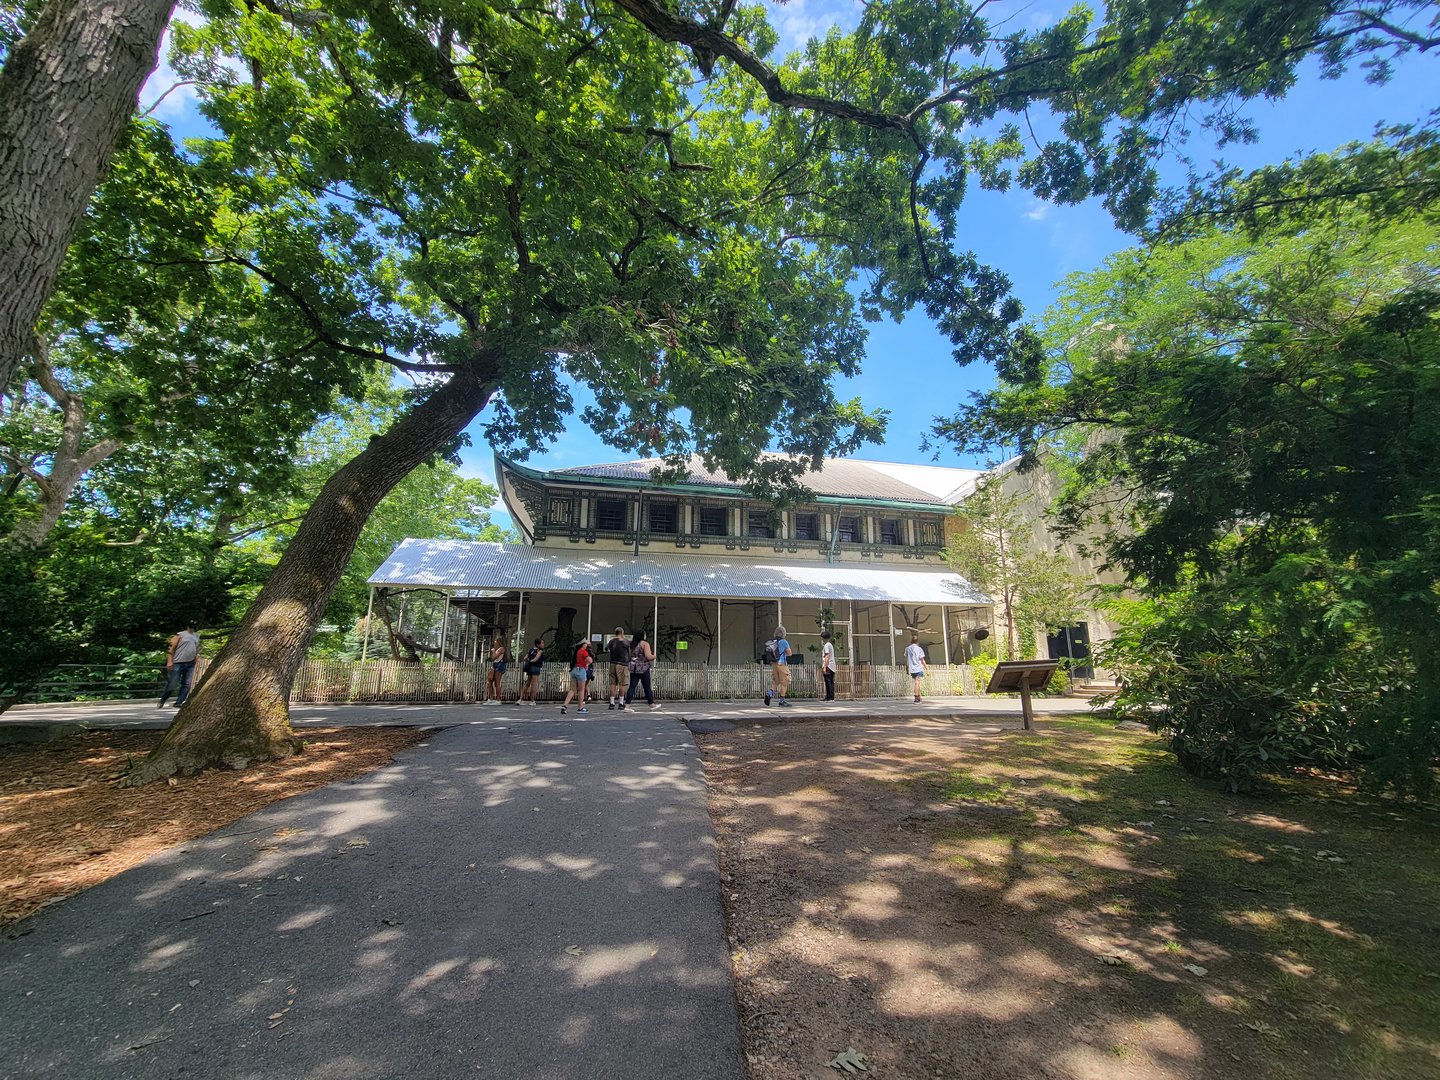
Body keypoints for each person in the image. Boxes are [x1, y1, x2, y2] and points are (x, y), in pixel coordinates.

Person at [158, 622, 201, 708]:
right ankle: (163, 699)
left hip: (190, 663)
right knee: (173, 683)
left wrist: (196, 656)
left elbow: (196, 648)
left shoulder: (197, 636)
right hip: (178, 662)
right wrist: (170, 661)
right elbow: (170, 648)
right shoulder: (180, 634)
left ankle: (179, 702)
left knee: (187, 684)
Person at [623, 628, 658, 709]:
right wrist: (654, 656)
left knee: (632, 686)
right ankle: (651, 704)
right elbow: (648, 656)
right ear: (642, 635)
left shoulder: (631, 645)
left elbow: (628, 656)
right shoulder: (645, 644)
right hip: (643, 668)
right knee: (647, 687)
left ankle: (627, 705)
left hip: (633, 668)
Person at [560, 638, 593, 714]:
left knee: (572, 689)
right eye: (585, 644)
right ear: (583, 644)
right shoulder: (583, 651)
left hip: (574, 670)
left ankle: (565, 705)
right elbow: (589, 660)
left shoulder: (577, 652)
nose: (586, 645)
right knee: (581, 690)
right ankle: (580, 708)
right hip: (581, 671)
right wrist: (589, 660)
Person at [764, 624, 792, 707]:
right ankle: (782, 701)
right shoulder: (784, 641)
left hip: (774, 664)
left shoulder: (773, 641)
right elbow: (789, 653)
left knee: (776, 681)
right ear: (784, 633)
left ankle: (770, 693)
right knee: (784, 682)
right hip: (782, 664)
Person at [605, 625, 631, 710]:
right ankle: (621, 703)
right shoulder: (626, 642)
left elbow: (606, 649)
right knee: (622, 684)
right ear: (622, 633)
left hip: (613, 663)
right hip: (622, 664)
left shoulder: (612, 641)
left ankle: (612, 703)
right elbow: (630, 652)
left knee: (613, 684)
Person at [515, 637, 544, 705]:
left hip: (529, 668)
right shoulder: (539, 651)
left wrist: (528, 661)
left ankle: (520, 699)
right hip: (536, 667)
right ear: (538, 644)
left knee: (527, 683)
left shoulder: (530, 650)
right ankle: (532, 700)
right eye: (542, 643)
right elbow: (536, 659)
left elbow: (525, 658)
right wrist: (532, 661)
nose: (543, 645)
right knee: (534, 684)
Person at [905, 632, 928, 703]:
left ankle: (919, 696)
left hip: (912, 668)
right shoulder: (919, 649)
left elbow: (906, 658)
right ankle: (916, 697)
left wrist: (907, 666)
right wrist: (926, 667)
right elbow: (922, 659)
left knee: (916, 682)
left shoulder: (907, 649)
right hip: (918, 667)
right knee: (917, 683)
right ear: (917, 641)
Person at [484, 634, 508, 703]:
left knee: (497, 683)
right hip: (495, 665)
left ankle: (498, 699)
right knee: (490, 681)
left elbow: (494, 657)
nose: (494, 642)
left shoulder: (501, 649)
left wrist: (493, 651)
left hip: (499, 665)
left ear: (499, 642)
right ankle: (491, 698)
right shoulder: (498, 649)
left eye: (495, 641)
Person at [820, 629, 837, 701]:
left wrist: (824, 666)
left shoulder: (826, 646)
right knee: (830, 682)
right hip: (832, 665)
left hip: (828, 665)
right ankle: (829, 697)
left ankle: (830, 697)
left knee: (828, 682)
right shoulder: (830, 645)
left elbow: (827, 656)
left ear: (823, 638)